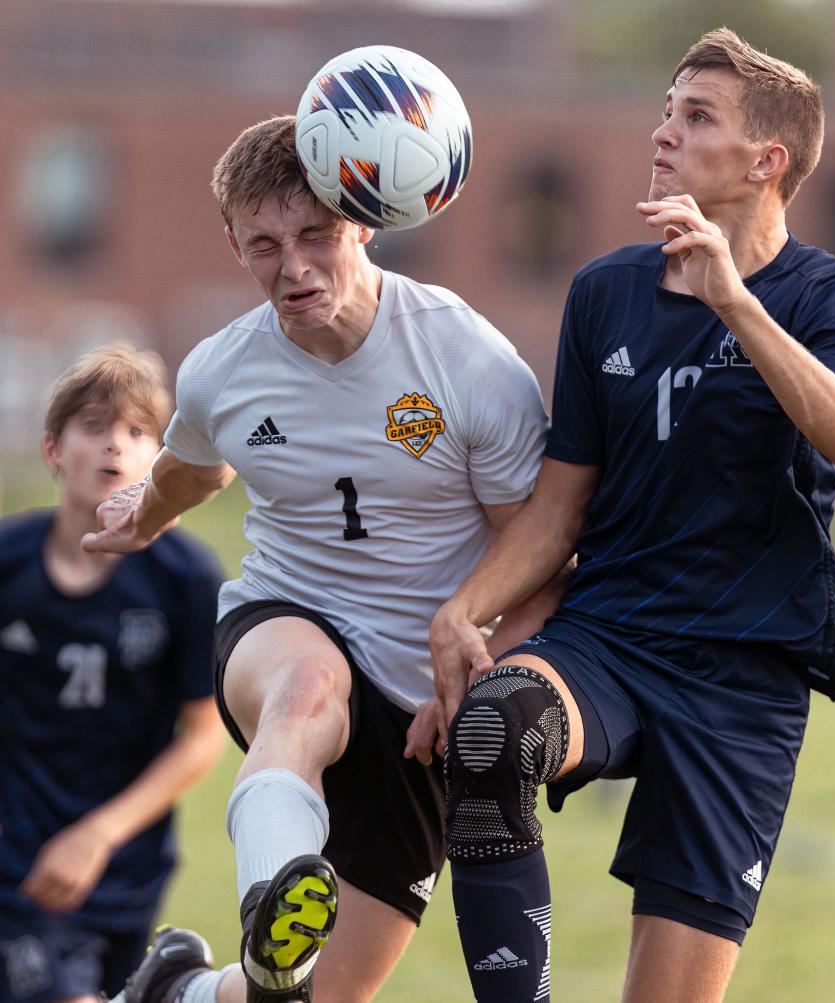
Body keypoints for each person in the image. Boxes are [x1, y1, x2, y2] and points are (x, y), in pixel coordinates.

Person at [430, 27, 835, 1003]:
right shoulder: (606, 292)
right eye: (665, 109)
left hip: (745, 675)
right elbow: (560, 507)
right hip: (609, 639)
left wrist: (736, 304)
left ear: (766, 160)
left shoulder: (830, 296)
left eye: (696, 117)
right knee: (492, 730)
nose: (663, 132)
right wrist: (462, 608)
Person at [84, 115, 556, 1003]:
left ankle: (176, 988)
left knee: (302, 999)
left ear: (365, 220)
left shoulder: (464, 358)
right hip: (283, 619)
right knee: (308, 689)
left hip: (420, 696)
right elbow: (192, 470)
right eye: (264, 245)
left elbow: (534, 552)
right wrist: (136, 517)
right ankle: (275, 889)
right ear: (234, 245)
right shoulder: (223, 371)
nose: (292, 268)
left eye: (315, 235)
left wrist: (478, 685)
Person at [0, 345, 225, 1003]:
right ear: (52, 449)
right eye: (94, 427)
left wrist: (99, 833)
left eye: (136, 431)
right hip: (18, 862)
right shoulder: (8, 564)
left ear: (160, 456)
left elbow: (202, 736)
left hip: (126, 865)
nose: (114, 447)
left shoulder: (185, 578)